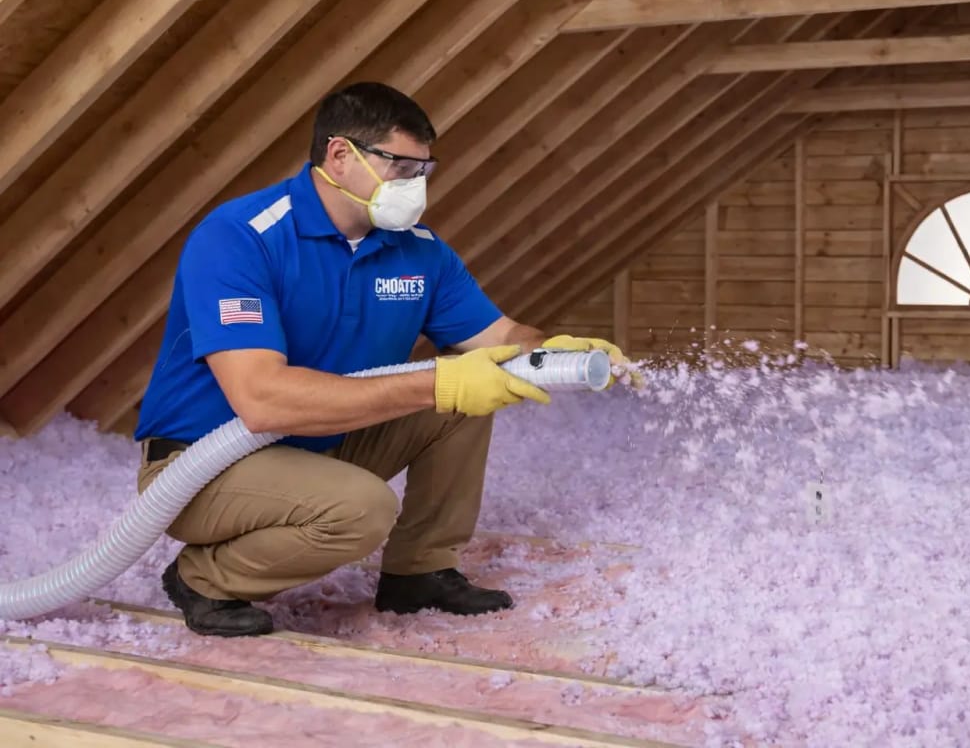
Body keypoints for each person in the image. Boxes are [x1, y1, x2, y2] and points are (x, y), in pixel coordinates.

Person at [133, 81, 632, 638]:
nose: (415, 185)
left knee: (472, 395)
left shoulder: (418, 250)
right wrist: (437, 382)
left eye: (424, 170)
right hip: (203, 467)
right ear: (340, 155)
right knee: (363, 508)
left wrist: (554, 351)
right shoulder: (240, 238)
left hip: (324, 444)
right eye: (400, 167)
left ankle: (420, 572)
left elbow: (501, 336)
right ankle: (206, 577)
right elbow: (262, 400)